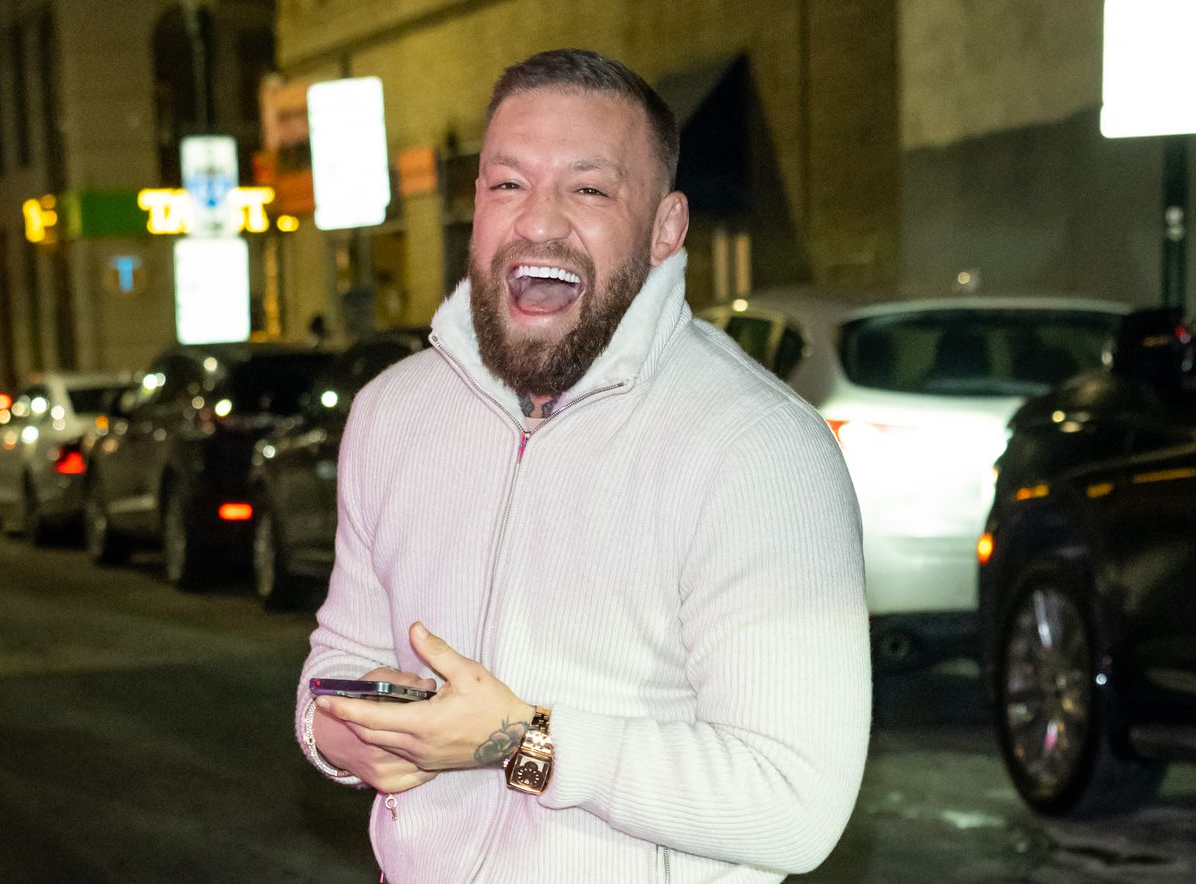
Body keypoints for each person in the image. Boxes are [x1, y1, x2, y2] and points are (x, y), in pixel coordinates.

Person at [297, 48, 871, 882]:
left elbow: (794, 805)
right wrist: (336, 734)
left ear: (666, 228)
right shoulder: (393, 411)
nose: (538, 221)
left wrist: (523, 742)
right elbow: (339, 659)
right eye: (508, 183)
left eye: (589, 190)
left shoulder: (761, 448)